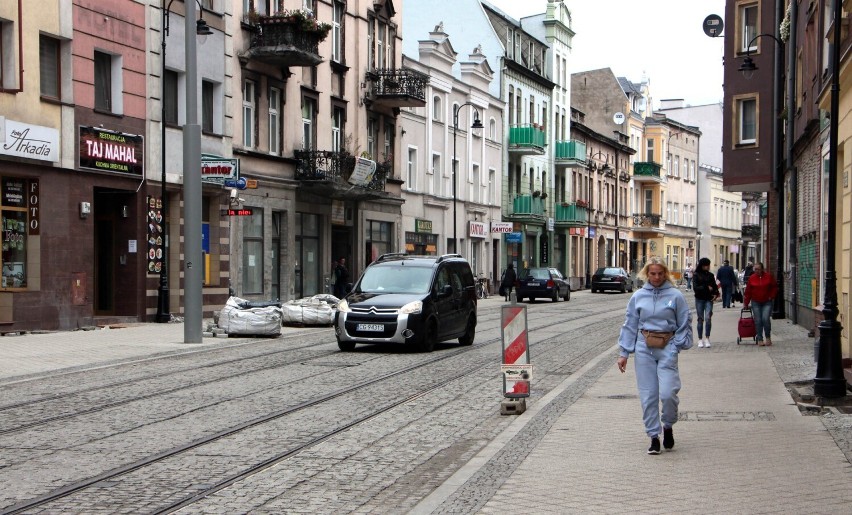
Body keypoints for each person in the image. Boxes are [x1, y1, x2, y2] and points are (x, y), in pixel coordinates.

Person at [617, 256, 693, 455]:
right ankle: (653, 436)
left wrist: (676, 345)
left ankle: (668, 425)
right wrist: (624, 352)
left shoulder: (675, 296)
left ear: (665, 273)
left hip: (668, 346)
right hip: (644, 347)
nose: (657, 277)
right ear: (646, 274)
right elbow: (630, 323)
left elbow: (685, 321)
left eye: (660, 273)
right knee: (649, 395)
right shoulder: (638, 296)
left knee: (668, 393)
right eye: (653, 273)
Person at [743, 262, 778, 346]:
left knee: (765, 319)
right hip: (755, 302)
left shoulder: (768, 277)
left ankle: (768, 337)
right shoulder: (752, 278)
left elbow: (774, 287)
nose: (756, 271)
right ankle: (760, 338)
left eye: (758, 269)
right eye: (755, 269)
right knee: (758, 320)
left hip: (767, 301)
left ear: (762, 269)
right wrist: (746, 303)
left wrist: (771, 296)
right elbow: (748, 292)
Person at [692, 257, 720, 348]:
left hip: (709, 299)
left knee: (708, 318)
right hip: (699, 299)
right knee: (700, 319)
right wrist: (706, 287)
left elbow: (715, 287)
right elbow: (695, 288)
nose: (708, 267)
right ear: (702, 265)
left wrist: (716, 293)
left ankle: (707, 338)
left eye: (708, 265)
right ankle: (700, 339)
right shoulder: (696, 275)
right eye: (706, 265)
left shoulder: (710, 275)